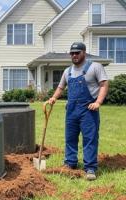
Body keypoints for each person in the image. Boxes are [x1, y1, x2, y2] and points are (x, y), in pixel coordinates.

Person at [48, 42, 109, 181]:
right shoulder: (67, 71)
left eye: (77, 52)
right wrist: (53, 98)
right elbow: (61, 88)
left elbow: (104, 84)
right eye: (72, 53)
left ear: (84, 53)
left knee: (90, 138)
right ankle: (70, 163)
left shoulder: (95, 67)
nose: (74, 55)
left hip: (88, 109)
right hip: (71, 111)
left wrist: (98, 102)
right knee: (70, 138)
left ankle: (90, 168)